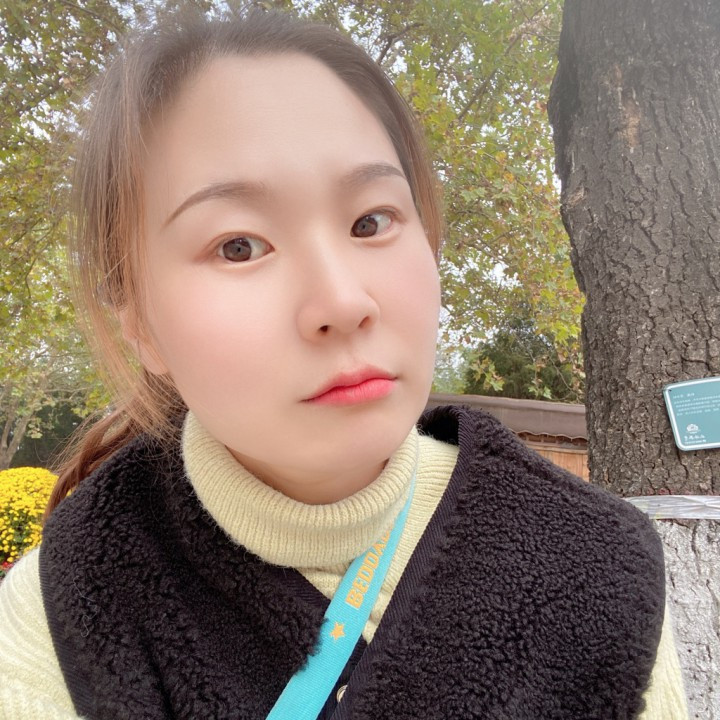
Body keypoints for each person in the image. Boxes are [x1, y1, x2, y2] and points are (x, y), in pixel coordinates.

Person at [0, 9, 688, 720]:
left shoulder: (602, 568)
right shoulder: (63, 615)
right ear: (138, 322)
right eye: (239, 246)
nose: (341, 301)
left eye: (370, 221)